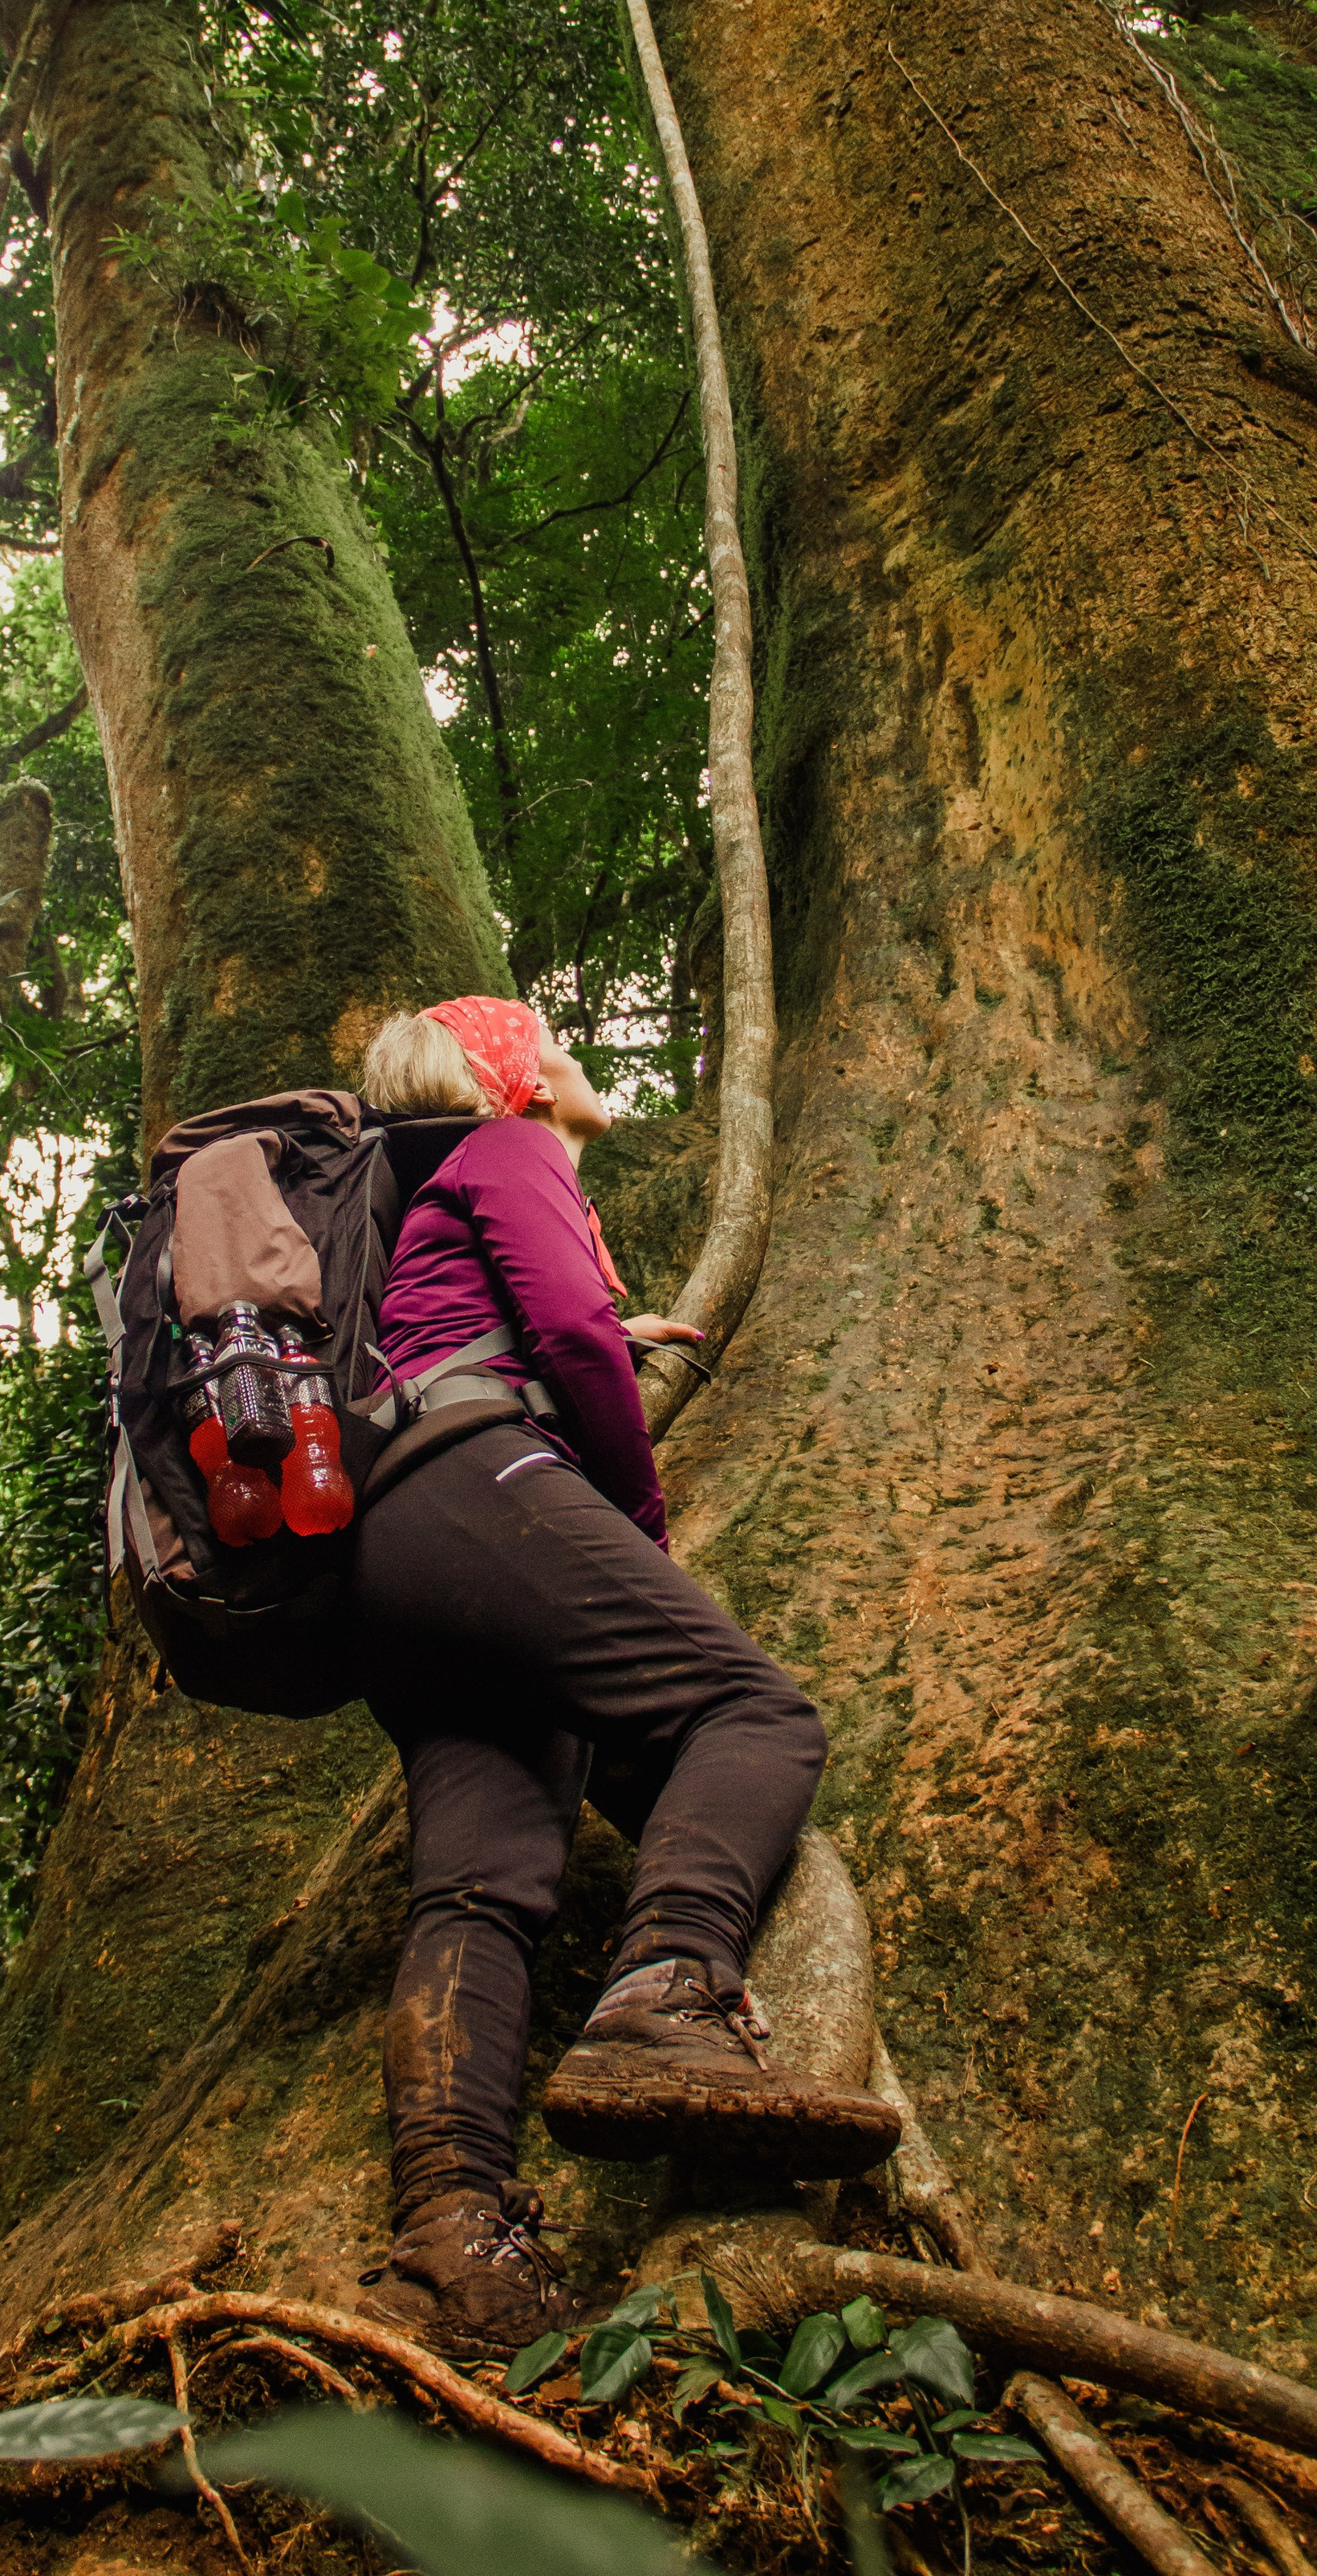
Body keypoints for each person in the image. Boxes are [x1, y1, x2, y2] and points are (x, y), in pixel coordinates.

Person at [352, 993, 898, 2358]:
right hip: (486, 1489)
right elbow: (569, 1343)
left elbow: (524, 1319)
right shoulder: (514, 1153)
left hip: (398, 1551)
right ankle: (669, 1989)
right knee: (752, 1712)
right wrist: (638, 1525)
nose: (574, 1058)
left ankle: (450, 2242)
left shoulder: (455, 1188)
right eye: (553, 1038)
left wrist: (610, 1320)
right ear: (511, 1076)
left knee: (483, 1882)